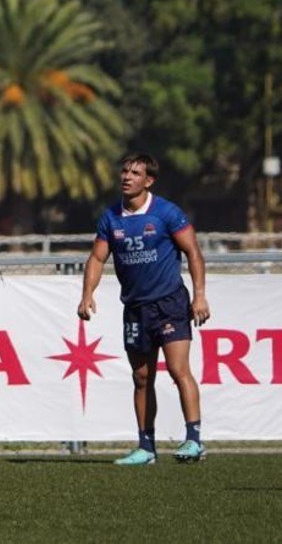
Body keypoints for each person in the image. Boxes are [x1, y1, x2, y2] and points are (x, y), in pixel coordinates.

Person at [77, 153, 210, 465]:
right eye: (124, 171)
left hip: (169, 303)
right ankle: (146, 447)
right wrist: (87, 294)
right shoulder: (111, 217)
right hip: (135, 309)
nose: (127, 177)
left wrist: (200, 296)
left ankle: (194, 440)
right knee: (141, 376)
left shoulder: (166, 213)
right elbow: (97, 258)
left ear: (148, 181)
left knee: (178, 370)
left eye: (135, 173)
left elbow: (193, 251)